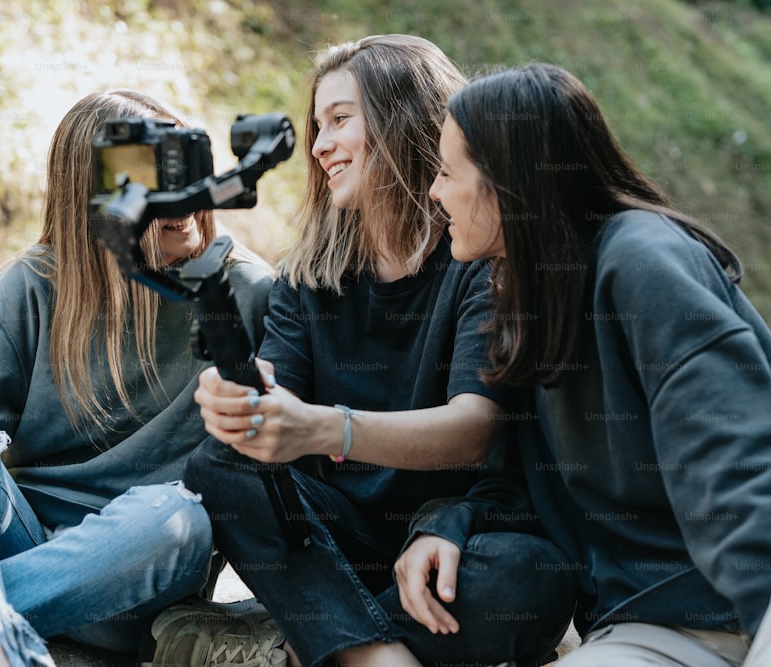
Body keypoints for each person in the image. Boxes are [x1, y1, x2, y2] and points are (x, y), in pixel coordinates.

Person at [397, 62, 771, 666]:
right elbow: (514, 482)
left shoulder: (642, 260)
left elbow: (731, 467)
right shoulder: (528, 297)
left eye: (445, 172)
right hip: (653, 628)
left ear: (506, 181)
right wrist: (445, 522)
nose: (433, 192)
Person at [178, 36, 576, 667]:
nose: (318, 146)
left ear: (404, 120)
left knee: (529, 576)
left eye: (340, 120)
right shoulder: (308, 276)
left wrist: (329, 429)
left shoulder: (478, 256)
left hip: (463, 534)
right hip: (339, 543)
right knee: (218, 464)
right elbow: (279, 405)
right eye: (315, 126)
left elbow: (476, 430)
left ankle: (308, 645)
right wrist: (244, 401)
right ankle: (374, 657)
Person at [0, 89, 273, 666]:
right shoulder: (35, 286)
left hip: (136, 576)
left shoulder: (248, 294)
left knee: (177, 518)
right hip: (20, 539)